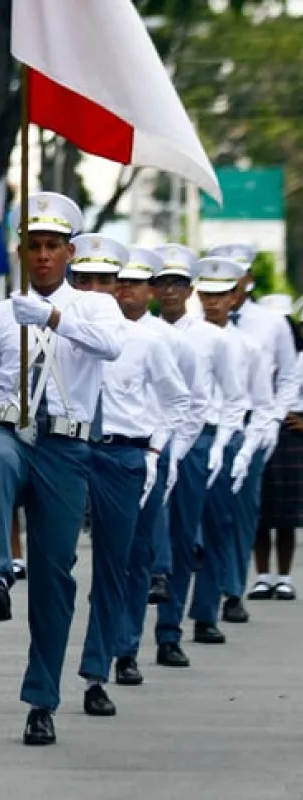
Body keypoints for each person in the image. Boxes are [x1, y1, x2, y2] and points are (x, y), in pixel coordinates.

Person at [0, 191, 125, 746]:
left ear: (70, 252)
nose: (44, 255)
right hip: (10, 429)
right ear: (22, 252)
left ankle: (41, 700)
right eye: (34, 246)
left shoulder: (95, 305)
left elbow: (111, 347)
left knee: (55, 581)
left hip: (66, 446)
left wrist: (53, 317)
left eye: (53, 246)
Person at [65, 234, 190, 717]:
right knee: (57, 567)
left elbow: (177, 401)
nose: (97, 290)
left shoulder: (147, 340)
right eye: (85, 280)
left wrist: (156, 450)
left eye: (106, 280)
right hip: (70, 448)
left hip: (122, 453)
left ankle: (109, 661)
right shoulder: (59, 332)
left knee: (120, 564)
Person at [148, 244, 247, 666]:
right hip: (150, 439)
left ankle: (175, 629)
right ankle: (126, 639)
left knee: (189, 535)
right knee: (143, 540)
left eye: (178, 283)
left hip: (197, 440)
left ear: (190, 289)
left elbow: (234, 397)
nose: (170, 291)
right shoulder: (143, 331)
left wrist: (221, 446)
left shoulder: (212, 338)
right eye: (163, 283)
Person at [112, 246, 205, 687]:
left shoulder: (170, 340)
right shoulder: (96, 331)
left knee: (150, 553)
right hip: (107, 451)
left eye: (134, 283)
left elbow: (190, 402)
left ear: (149, 290)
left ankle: (150, 640)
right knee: (117, 558)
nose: (124, 291)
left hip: (157, 448)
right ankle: (112, 644)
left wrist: (170, 454)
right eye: (119, 283)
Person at [188, 256, 277, 641]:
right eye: (207, 294)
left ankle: (219, 601)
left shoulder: (249, 346)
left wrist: (248, 448)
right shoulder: (184, 336)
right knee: (184, 528)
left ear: (235, 297)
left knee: (225, 524)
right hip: (189, 436)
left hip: (231, 438)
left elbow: (262, 403)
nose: (213, 302)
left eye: (221, 294)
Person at [208, 244, 297, 616]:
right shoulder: (198, 320)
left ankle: (232, 590)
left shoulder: (271, 322)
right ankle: (206, 585)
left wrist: (273, 419)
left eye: (236, 274)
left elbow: (288, 375)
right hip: (205, 425)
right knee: (207, 513)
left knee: (242, 512)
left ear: (247, 279)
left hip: (250, 424)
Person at [251, 295, 301, 600]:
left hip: (290, 434)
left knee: (286, 514)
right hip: (257, 429)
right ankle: (261, 577)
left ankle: (283, 577)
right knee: (260, 510)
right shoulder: (253, 352)